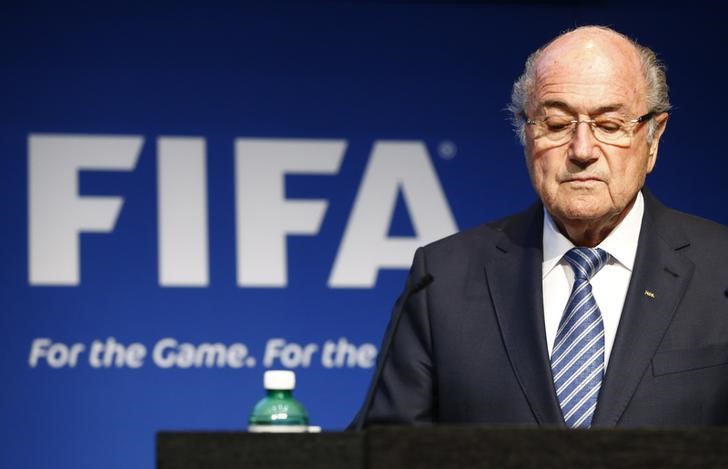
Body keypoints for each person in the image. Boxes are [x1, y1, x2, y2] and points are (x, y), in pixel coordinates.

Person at [354, 25, 728, 429]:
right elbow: (389, 448)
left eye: (609, 124)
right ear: (526, 134)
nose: (582, 150)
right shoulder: (441, 277)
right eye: (556, 123)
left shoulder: (720, 271)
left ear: (653, 138)